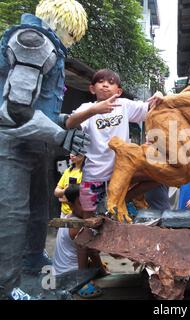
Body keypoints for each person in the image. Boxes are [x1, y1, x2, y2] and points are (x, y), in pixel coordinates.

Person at [0, 0, 89, 300]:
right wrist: (62, 137)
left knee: (39, 210)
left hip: (35, 145)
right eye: (72, 34)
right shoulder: (34, 41)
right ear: (61, 23)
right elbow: (14, 111)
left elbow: (44, 113)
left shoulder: (51, 48)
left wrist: (65, 128)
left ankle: (33, 259)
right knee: (12, 215)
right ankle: (6, 287)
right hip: (12, 145)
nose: (71, 41)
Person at [66, 69, 163, 216]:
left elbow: (152, 106)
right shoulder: (87, 108)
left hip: (123, 171)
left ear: (118, 91)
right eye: (100, 81)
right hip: (94, 173)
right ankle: (114, 204)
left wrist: (159, 95)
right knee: (89, 218)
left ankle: (123, 198)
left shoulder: (124, 105)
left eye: (111, 83)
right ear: (92, 89)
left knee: (159, 175)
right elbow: (69, 123)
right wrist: (94, 110)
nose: (105, 85)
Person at [52, 184, 104, 298]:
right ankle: (81, 283)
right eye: (81, 204)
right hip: (68, 275)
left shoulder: (68, 218)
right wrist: (102, 272)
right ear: (71, 205)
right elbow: (91, 253)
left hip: (58, 272)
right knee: (95, 262)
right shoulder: (78, 226)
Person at [54, 153, 85, 218]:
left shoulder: (87, 172)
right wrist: (65, 191)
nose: (72, 155)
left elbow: (82, 196)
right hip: (64, 213)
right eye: (71, 152)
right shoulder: (68, 171)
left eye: (75, 153)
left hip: (79, 214)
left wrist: (63, 196)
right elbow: (56, 192)